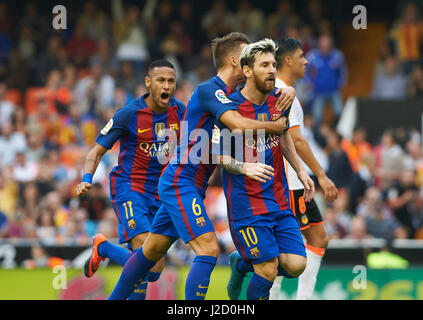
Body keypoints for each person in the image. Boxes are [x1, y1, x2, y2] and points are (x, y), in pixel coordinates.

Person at [106, 32, 296, 300]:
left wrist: (288, 89)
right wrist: (274, 126)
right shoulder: (210, 90)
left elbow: (265, 93)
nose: (251, 63)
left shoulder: (232, 94)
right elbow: (238, 124)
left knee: (150, 254)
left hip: (190, 184)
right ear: (235, 60)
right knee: (208, 248)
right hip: (180, 181)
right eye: (247, 56)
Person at [75, 59, 186, 300]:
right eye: (160, 80)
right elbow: (95, 151)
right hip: (130, 188)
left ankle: (103, 247)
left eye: (171, 81)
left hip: (161, 195)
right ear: (148, 82)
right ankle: (103, 247)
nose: (166, 86)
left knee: (149, 272)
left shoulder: (181, 113)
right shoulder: (128, 114)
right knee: (151, 264)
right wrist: (86, 178)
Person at [217, 38, 315, 300]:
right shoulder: (230, 108)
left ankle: (240, 263)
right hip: (247, 205)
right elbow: (216, 155)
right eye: (264, 65)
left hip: (278, 200)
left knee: (296, 265)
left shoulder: (279, 101)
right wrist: (243, 168)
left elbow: (283, 137)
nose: (272, 70)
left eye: (273, 64)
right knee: (268, 269)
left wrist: (301, 170)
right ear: (247, 71)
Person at [267, 37, 338, 300]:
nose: (306, 61)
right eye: (301, 56)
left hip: (293, 181)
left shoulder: (284, 91)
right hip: (290, 181)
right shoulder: (283, 93)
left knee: (317, 238)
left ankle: (301, 297)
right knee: (290, 247)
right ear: (288, 60)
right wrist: (321, 175)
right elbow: (296, 139)